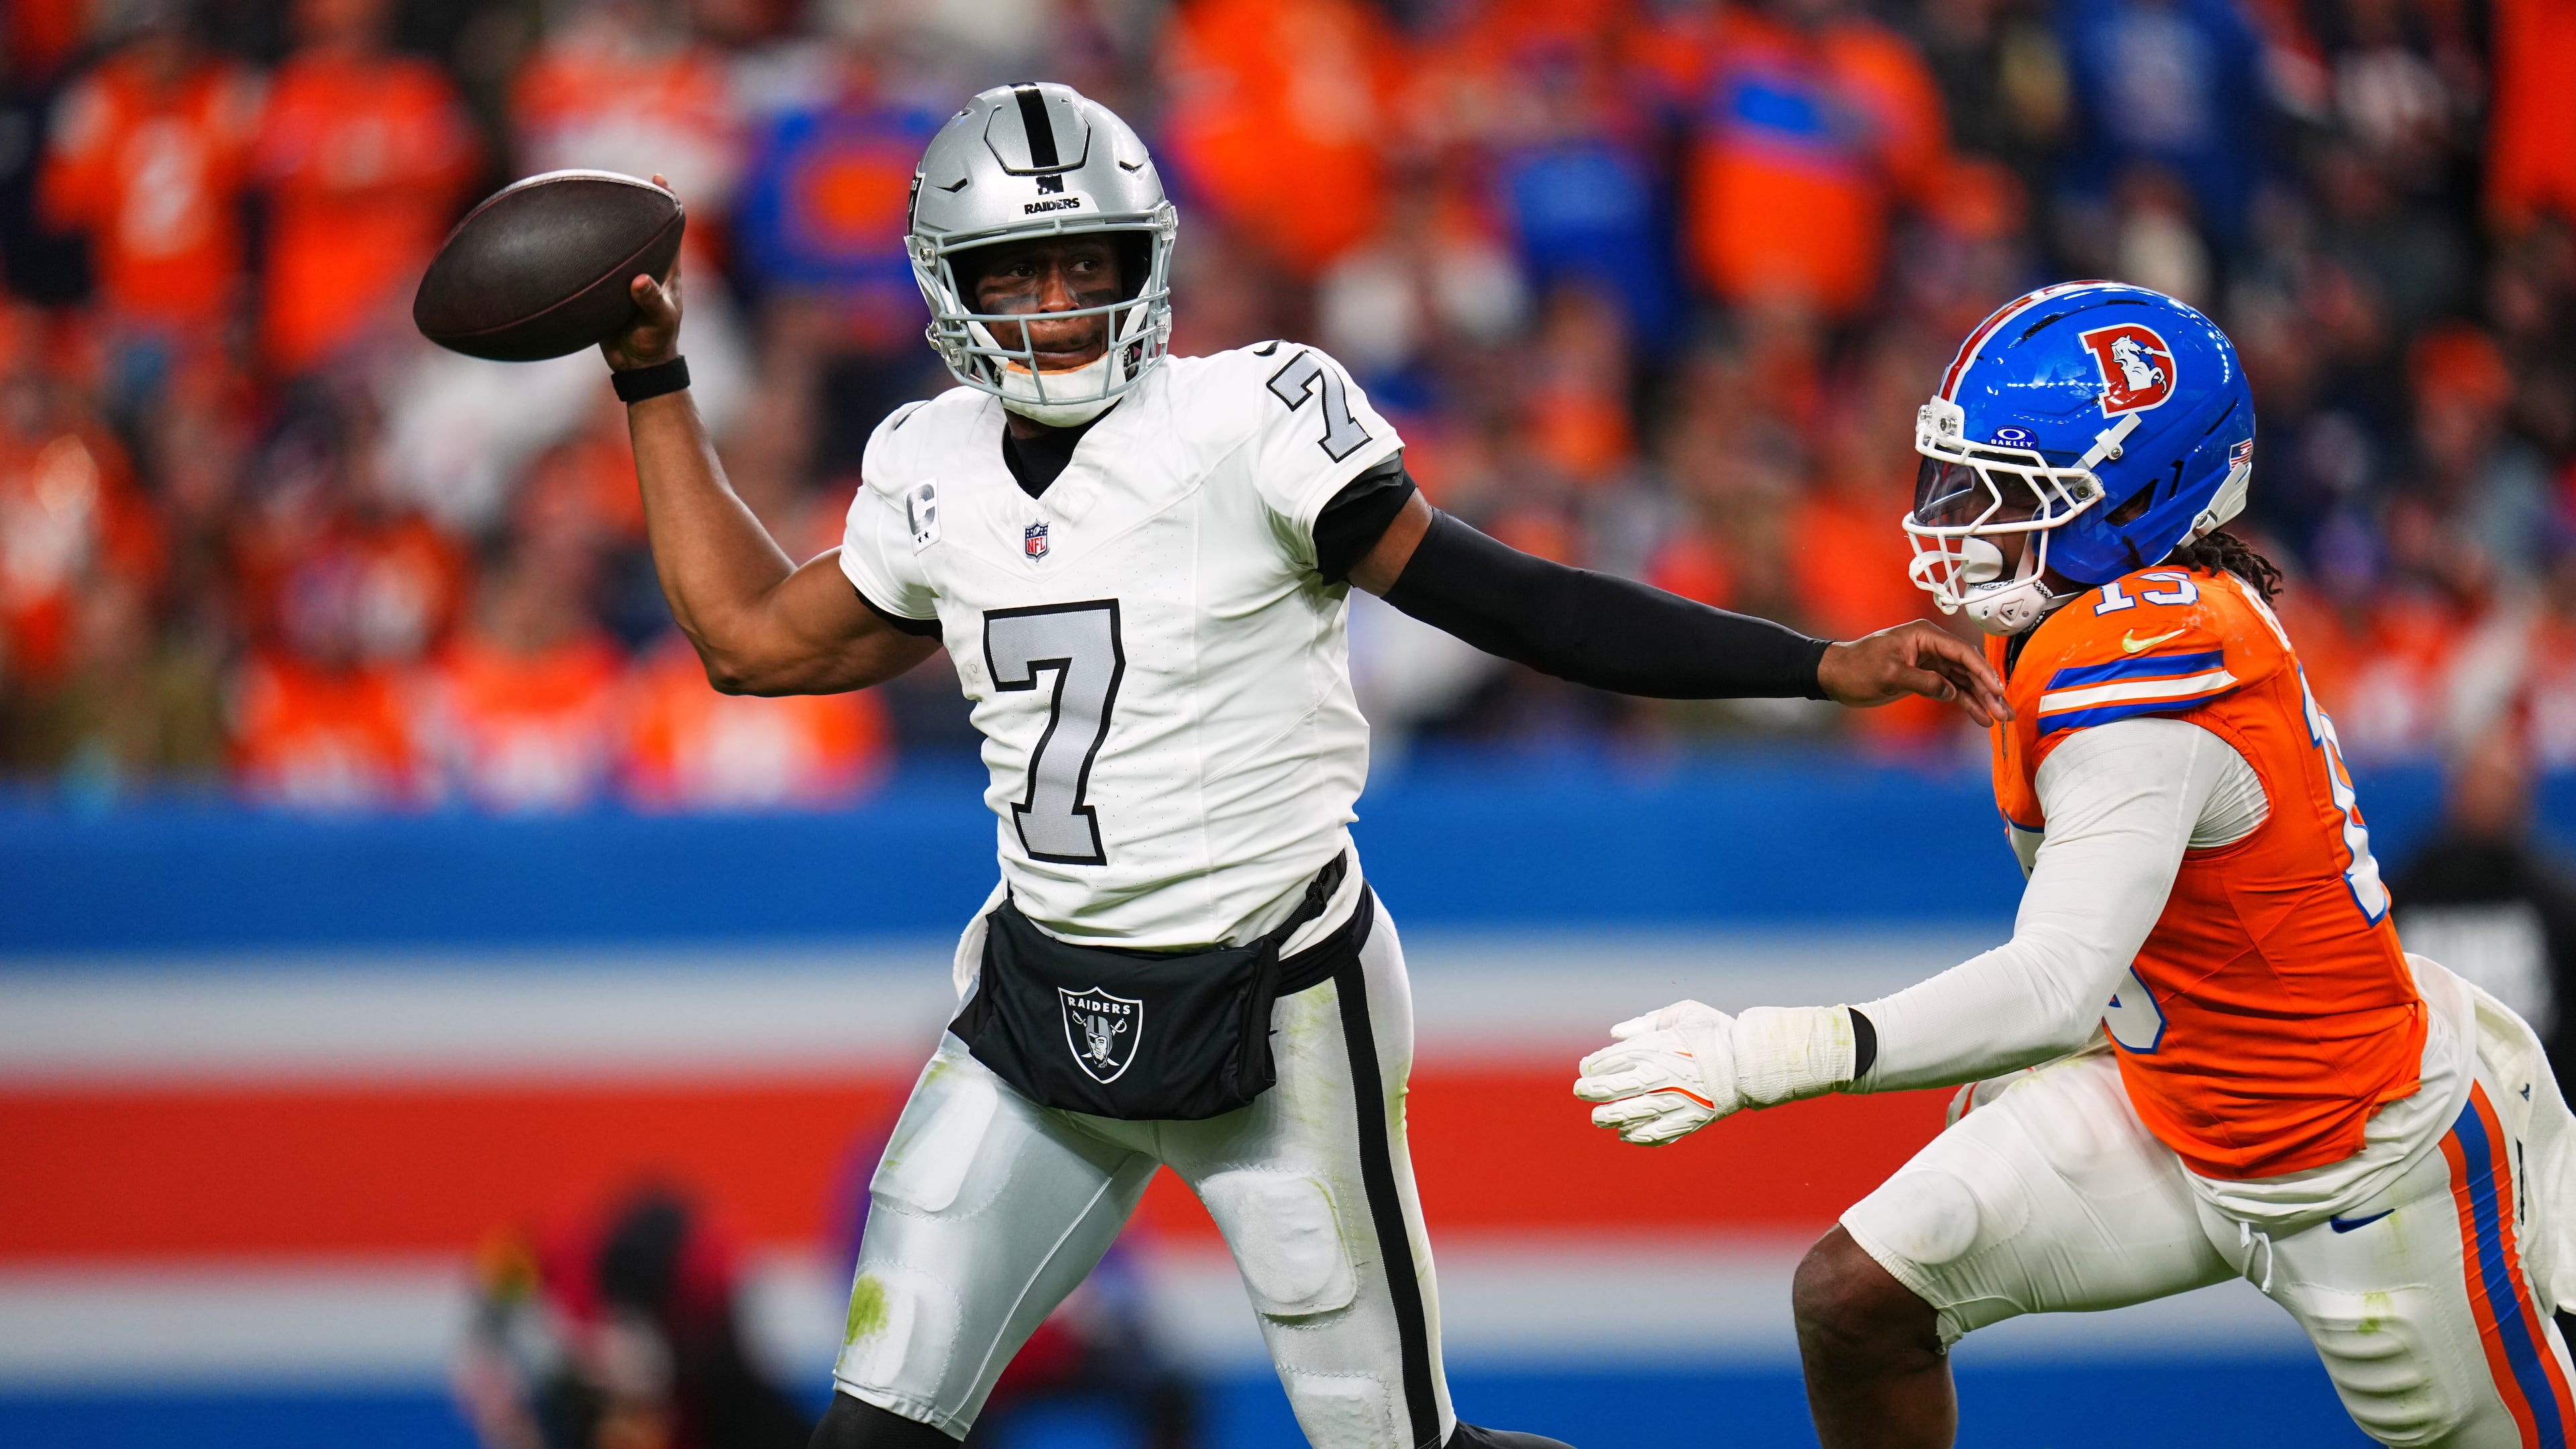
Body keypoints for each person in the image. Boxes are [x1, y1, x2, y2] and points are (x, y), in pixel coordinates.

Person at [600, 83, 2004, 1449]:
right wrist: (653, 375)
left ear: (1151, 259)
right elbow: (749, 642)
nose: (1065, 302)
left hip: (1276, 1004)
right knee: (875, 1424)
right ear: (951, 286)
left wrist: (1811, 663)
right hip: (1039, 1013)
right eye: (1022, 271)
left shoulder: (1249, 421)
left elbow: (1515, 602)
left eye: (1092, 261)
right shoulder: (929, 464)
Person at [1574, 280, 2576, 1448]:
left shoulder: (2149, 675)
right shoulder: (2111, 616)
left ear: (2140, 497)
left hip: (2358, 1169)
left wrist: (1765, 1053)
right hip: (2176, 1099)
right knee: (1857, 1300)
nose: (1964, 522)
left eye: (2008, 494)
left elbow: (2052, 982)